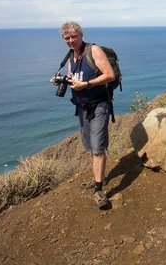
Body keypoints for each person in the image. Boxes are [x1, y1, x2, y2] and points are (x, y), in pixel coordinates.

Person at [50, 21, 115, 209]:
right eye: (67, 38)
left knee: (97, 148)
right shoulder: (71, 56)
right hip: (82, 107)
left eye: (73, 36)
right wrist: (62, 81)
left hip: (99, 106)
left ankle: (98, 190)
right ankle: (98, 178)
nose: (71, 40)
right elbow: (75, 78)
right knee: (90, 145)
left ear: (80, 35)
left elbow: (109, 74)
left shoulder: (93, 50)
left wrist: (86, 85)